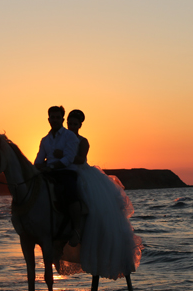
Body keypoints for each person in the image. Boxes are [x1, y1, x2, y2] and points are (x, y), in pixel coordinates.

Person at [56, 109, 142, 280]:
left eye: (75, 124)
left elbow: (81, 159)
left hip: (83, 174)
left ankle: (82, 230)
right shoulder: (62, 137)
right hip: (65, 171)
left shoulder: (83, 141)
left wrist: (64, 157)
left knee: (94, 208)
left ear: (80, 125)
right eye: (69, 124)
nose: (71, 126)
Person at [33, 105, 83, 245]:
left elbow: (68, 159)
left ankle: (77, 230)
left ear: (62, 119)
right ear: (48, 119)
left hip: (66, 171)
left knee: (70, 192)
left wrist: (51, 166)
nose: (55, 120)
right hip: (49, 171)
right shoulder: (45, 140)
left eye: (57, 117)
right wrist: (37, 168)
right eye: (52, 117)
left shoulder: (69, 136)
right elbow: (38, 161)